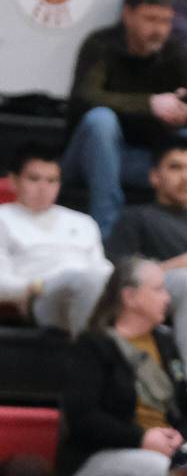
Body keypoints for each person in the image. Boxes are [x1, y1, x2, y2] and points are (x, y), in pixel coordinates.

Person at [63, 0, 187, 238]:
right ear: (127, 15)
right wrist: (149, 104)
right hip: (100, 156)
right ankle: (105, 234)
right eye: (150, 19)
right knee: (101, 120)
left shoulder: (174, 50)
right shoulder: (101, 45)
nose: (159, 29)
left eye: (165, 21)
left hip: (153, 161)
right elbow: (85, 97)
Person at [59, 256, 187, 476]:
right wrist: (142, 438)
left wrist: (181, 437)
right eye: (158, 289)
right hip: (98, 456)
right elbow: (83, 417)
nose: (167, 298)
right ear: (130, 296)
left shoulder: (166, 344)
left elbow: (185, 409)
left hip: (164, 451)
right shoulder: (92, 345)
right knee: (160, 472)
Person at [105, 141, 187, 408]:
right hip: (155, 307)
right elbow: (119, 281)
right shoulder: (135, 218)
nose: (186, 176)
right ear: (155, 176)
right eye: (175, 167)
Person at [0, 143, 112, 336]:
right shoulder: (4, 219)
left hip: (89, 287)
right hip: (39, 296)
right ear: (13, 181)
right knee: (87, 278)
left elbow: (102, 268)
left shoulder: (83, 221)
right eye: (34, 179)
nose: (43, 188)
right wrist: (38, 285)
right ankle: (89, 348)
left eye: (52, 180)